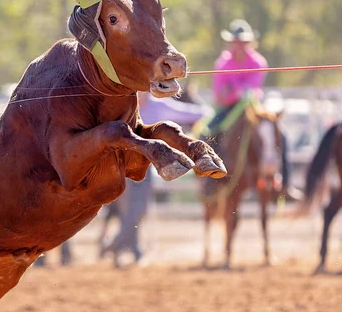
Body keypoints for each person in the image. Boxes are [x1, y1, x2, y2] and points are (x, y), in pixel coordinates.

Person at [100, 91, 212, 267]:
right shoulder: (124, 105)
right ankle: (128, 250)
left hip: (145, 169)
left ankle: (113, 245)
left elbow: (187, 112)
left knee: (139, 210)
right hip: (121, 168)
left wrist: (207, 113)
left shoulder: (158, 106)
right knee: (129, 211)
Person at [210, 19, 300, 200]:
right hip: (228, 108)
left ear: (249, 43)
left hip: (253, 107)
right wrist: (236, 94)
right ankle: (210, 180)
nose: (239, 45)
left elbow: (251, 88)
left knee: (280, 135)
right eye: (236, 42)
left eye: (243, 42)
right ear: (231, 43)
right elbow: (219, 95)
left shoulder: (258, 62)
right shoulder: (222, 64)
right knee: (208, 132)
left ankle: (284, 184)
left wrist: (234, 91)